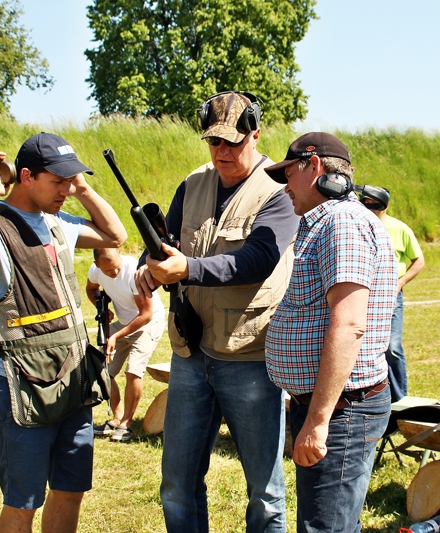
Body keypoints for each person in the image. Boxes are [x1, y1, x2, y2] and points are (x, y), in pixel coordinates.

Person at [135, 91, 299, 533]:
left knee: (264, 493)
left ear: (256, 134)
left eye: (233, 141)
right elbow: (164, 241)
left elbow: (257, 261)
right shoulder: (192, 183)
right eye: (214, 142)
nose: (222, 151)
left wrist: (185, 267)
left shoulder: (278, 192)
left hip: (249, 356)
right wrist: (147, 268)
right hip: (190, 354)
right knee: (176, 483)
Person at [0, 133, 127, 533]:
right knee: (22, 502)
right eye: (58, 181)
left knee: (70, 489)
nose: (65, 190)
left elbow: (114, 236)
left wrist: (82, 187)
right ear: (26, 176)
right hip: (23, 385)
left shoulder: (57, 222)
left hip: (73, 377)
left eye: (70, 182)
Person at [263, 132, 398, 532]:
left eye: (288, 174)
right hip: (333, 406)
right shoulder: (328, 222)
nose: (285, 186)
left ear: (314, 166)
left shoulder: (342, 223)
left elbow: (350, 325)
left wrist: (318, 421)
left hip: (342, 411)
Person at [86, 248, 164, 443]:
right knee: (104, 369)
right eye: (108, 271)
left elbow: (145, 314)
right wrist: (101, 307)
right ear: (97, 266)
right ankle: (117, 417)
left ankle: (126, 424)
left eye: (116, 268)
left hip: (149, 322)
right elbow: (91, 289)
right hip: (124, 322)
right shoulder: (95, 271)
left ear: (119, 255)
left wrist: (116, 336)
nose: (114, 273)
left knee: (133, 371)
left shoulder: (133, 272)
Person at [358, 185, 424, 403]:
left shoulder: (400, 229)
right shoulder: (358, 224)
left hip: (391, 295)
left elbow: (419, 261)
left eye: (373, 203)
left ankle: (398, 399)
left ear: (384, 205)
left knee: (392, 347)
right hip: (363, 293)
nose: (369, 207)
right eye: (364, 202)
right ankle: (372, 395)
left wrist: (401, 282)